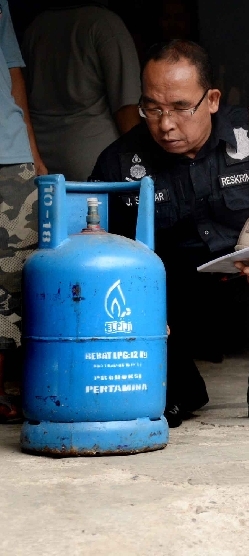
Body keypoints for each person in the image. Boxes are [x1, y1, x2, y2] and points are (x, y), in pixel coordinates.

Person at [89, 40, 249, 428]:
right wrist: (138, 304)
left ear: (212, 100)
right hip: (174, 308)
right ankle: (179, 390)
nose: (165, 124)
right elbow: (95, 253)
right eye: (152, 108)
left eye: (179, 108)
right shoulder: (120, 162)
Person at [22, 0, 142, 181]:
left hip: (40, 160)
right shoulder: (104, 24)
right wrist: (142, 160)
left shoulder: (36, 27)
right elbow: (127, 109)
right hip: (92, 160)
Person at [0, 0, 46, 423]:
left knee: (15, 285)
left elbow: (14, 73)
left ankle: (8, 388)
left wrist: (32, 154)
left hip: (9, 153)